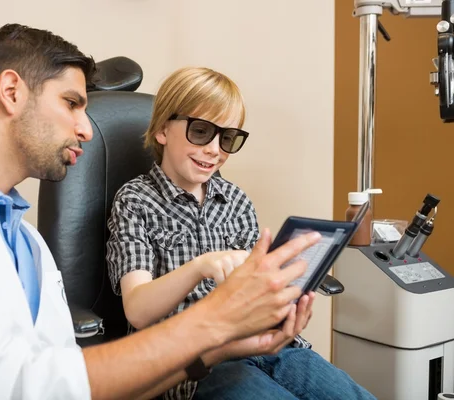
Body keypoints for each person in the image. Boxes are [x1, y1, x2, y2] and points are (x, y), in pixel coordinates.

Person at [0, 24, 321, 400]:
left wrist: (215, 350)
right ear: (12, 92)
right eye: (72, 104)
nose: (87, 128)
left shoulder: (29, 245)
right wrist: (214, 323)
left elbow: (71, 380)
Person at [106, 67, 376, 400]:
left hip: (268, 347)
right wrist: (200, 266)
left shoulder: (236, 201)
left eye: (228, 138)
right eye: (201, 131)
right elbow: (138, 308)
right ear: (162, 129)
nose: (214, 150)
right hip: (196, 365)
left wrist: (285, 296)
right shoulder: (135, 200)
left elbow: (256, 288)